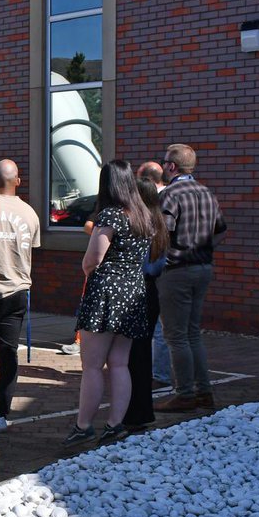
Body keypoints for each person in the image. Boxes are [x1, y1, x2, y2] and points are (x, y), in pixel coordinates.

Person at [63, 160, 154, 446]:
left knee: (92, 365)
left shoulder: (111, 216)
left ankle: (83, 425)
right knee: (119, 364)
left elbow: (93, 259)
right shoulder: (143, 215)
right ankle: (115, 424)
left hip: (106, 293)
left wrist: (88, 269)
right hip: (134, 292)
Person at [153, 144, 227, 414]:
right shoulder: (207, 193)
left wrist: (162, 257)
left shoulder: (171, 194)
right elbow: (221, 230)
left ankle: (185, 394)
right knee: (192, 332)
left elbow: (163, 233)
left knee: (176, 336)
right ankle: (203, 391)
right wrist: (203, 247)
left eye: (164, 162)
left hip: (178, 270)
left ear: (172, 166)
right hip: (203, 267)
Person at [0, 159, 41, 433]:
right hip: (16, 290)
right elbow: (30, 251)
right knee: (8, 353)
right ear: (18, 181)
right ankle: (2, 412)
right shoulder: (30, 214)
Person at [121, 178, 169, 432]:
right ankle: (142, 409)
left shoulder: (138, 226)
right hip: (152, 290)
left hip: (135, 289)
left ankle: (132, 411)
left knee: (130, 356)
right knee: (141, 355)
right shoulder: (160, 224)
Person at [137, 161, 172, 388]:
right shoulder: (163, 207)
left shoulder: (159, 204)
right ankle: (159, 373)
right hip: (167, 271)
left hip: (154, 276)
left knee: (156, 328)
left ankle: (158, 374)